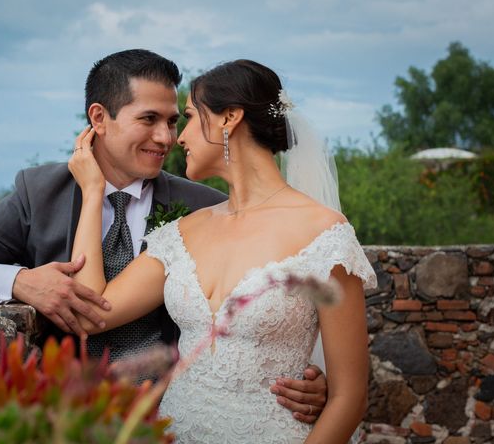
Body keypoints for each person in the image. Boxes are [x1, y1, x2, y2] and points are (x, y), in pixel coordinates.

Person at [0, 49, 327, 423]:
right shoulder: (39, 193)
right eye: (148, 119)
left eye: (172, 121)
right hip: (65, 414)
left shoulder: (203, 206)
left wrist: (309, 379)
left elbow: (263, 311)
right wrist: (19, 281)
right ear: (98, 119)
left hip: (171, 413)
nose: (165, 138)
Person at [68, 58, 376, 443]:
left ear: (229, 118)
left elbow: (349, 397)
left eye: (191, 117)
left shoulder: (324, 234)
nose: (177, 137)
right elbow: (90, 310)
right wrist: (93, 192)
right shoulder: (181, 233)